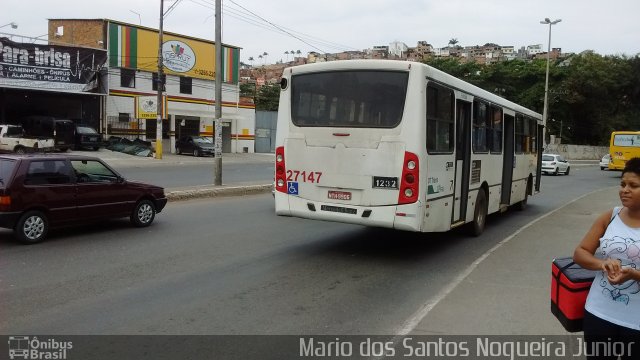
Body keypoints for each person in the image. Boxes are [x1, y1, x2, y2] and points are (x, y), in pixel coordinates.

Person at [574, 157, 640, 360]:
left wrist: (633, 274)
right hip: (599, 313)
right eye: (622, 184)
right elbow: (580, 252)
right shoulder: (610, 216)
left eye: (633, 185)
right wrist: (602, 263)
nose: (624, 190)